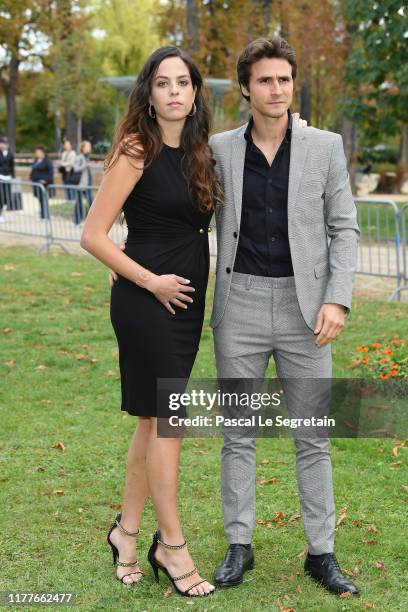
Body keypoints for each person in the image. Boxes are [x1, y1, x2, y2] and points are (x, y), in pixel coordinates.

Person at [209, 37, 360, 597]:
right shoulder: (220, 148)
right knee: (238, 434)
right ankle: (238, 546)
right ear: (245, 88)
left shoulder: (324, 147)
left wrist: (337, 298)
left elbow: (344, 227)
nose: (277, 89)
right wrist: (127, 258)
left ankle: (321, 553)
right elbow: (181, 210)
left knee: (313, 436)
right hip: (239, 304)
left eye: (285, 79)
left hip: (308, 310)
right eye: (266, 80)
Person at [80, 46, 223, 597]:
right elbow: (93, 234)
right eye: (162, 83)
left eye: (183, 83)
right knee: (169, 423)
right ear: (149, 92)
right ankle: (175, 546)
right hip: (148, 304)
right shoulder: (136, 148)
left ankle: (126, 533)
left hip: (184, 306)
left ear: (193, 94)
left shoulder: (199, 151)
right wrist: (146, 280)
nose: (174, 93)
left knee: (150, 422)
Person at [29, 146, 54, 219]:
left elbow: (51, 172)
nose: (37, 153)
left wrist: (45, 180)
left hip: (44, 185)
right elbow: (33, 170)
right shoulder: (36, 161)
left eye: (38, 152)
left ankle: (46, 215)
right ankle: (42, 214)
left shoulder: (47, 161)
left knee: (44, 200)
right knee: (40, 200)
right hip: (37, 183)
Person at [73, 140, 94, 225]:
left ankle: (86, 221)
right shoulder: (80, 157)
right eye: (88, 146)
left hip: (88, 184)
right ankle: (77, 221)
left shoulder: (87, 157)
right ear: (83, 148)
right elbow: (75, 168)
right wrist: (85, 166)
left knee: (90, 203)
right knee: (79, 203)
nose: (90, 148)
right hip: (81, 184)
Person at [0, 136, 15, 222]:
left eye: (5, 143)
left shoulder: (10, 154)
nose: (4, 145)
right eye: (2, 143)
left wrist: (13, 176)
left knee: (6, 197)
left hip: (7, 177)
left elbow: (12, 166)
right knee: (0, 197)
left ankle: (2, 212)